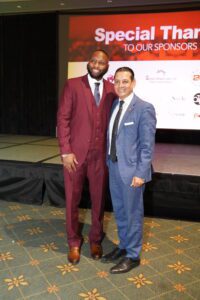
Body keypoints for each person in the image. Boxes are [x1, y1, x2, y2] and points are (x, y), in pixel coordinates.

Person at [57, 49, 116, 264]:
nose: (97, 64)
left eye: (102, 62)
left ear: (107, 66)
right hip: (75, 155)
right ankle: (73, 241)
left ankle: (95, 239)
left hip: (100, 157)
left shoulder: (112, 89)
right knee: (72, 200)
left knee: (99, 200)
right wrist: (65, 151)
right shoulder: (73, 85)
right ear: (88, 62)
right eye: (94, 60)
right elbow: (63, 118)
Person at [102, 67, 156, 274]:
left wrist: (141, 174)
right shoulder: (115, 104)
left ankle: (133, 256)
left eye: (125, 81)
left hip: (133, 172)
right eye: (117, 81)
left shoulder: (144, 108)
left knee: (133, 214)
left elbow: (147, 146)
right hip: (114, 167)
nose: (120, 85)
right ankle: (124, 246)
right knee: (120, 211)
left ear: (133, 83)